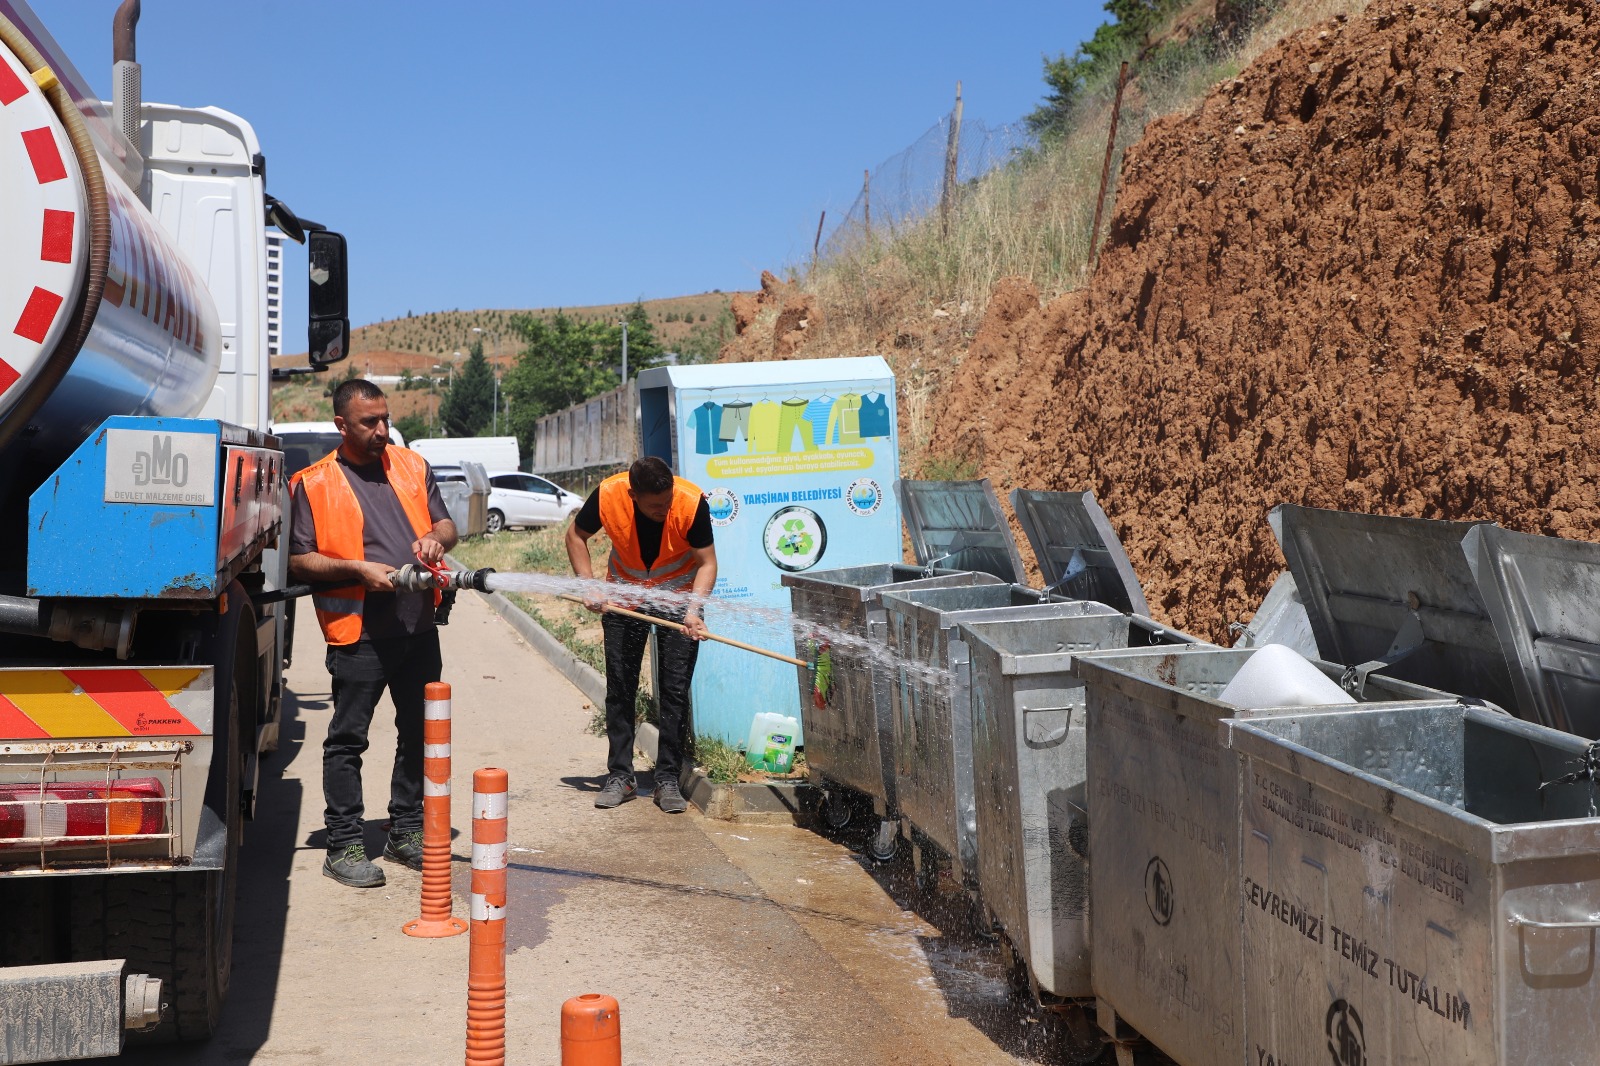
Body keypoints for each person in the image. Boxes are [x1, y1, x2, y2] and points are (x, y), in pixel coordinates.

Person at [288, 379, 457, 888]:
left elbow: (448, 526)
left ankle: (405, 830)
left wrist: (433, 537)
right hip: (358, 634)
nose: (383, 430)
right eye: (369, 422)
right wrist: (360, 571)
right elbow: (299, 560)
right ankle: (343, 844)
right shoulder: (312, 483)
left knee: (419, 734)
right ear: (342, 425)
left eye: (385, 419)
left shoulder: (411, 465)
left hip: (417, 626)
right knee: (347, 740)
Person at [566, 456, 716, 813]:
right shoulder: (608, 494)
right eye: (654, 506)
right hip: (623, 598)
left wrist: (694, 612)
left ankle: (667, 779)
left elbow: (707, 562)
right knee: (620, 686)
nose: (664, 510)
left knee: (675, 690)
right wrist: (590, 587)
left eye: (667, 502)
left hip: (677, 601)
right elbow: (575, 535)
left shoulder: (691, 502)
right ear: (633, 495)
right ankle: (621, 775)